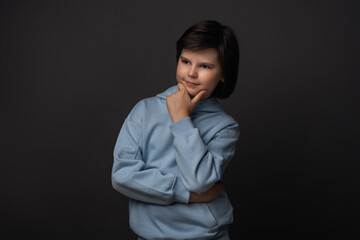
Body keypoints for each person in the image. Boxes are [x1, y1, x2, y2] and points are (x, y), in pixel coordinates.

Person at [112, 20, 240, 240]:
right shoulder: (145, 110)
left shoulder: (225, 127)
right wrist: (185, 194)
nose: (191, 73)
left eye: (205, 66)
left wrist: (180, 118)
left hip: (206, 235)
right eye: (185, 61)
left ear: (223, 74)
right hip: (151, 235)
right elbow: (122, 176)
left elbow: (200, 181)